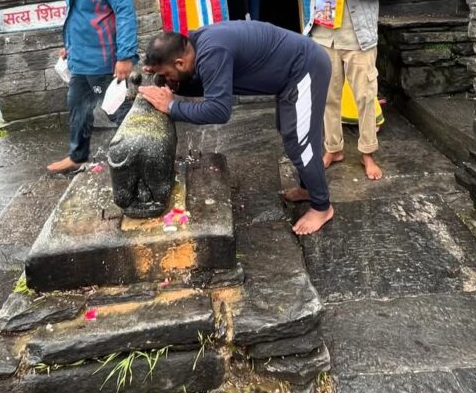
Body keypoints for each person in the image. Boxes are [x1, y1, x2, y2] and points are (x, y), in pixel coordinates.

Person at [139, 22, 334, 235]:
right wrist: (179, 85)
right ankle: (308, 189)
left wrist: (171, 106)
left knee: (300, 142)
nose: (167, 80)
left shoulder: (213, 53)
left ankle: (322, 207)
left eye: (167, 74)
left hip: (304, 68)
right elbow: (211, 83)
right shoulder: (198, 47)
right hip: (287, 77)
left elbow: (218, 110)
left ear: (179, 62)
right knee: (290, 133)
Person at [290, 0, 393, 180]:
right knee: (327, 98)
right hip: (324, 37)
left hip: (359, 38)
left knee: (365, 97)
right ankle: (333, 149)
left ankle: (367, 153)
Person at [47, 0, 139, 174]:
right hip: (80, 60)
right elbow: (79, 16)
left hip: (103, 61)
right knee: (78, 109)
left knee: (116, 109)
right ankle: (77, 157)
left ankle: (141, 152)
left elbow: (125, 15)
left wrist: (125, 56)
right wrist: (69, 47)